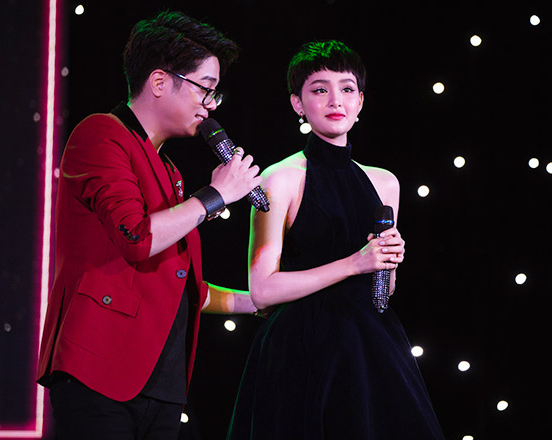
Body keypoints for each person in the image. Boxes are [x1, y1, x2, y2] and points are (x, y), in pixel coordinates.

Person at [36, 10, 262, 439]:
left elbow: (179, 285)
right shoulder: (101, 134)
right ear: (159, 81)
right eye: (205, 88)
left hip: (161, 385)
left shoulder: (169, 171)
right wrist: (214, 196)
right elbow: (137, 237)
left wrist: (258, 300)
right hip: (100, 373)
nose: (212, 104)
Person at [227, 40, 445, 439]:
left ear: (360, 101)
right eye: (319, 89)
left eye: (347, 89)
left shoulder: (385, 182)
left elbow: (383, 289)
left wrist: (388, 262)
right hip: (302, 346)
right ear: (298, 104)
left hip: (371, 345)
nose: (335, 100)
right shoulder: (280, 178)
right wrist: (355, 263)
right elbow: (262, 290)